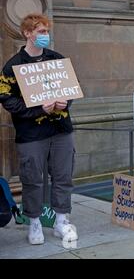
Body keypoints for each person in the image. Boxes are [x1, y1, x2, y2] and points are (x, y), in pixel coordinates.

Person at [0, 14, 78, 245]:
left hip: (61, 129)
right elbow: (5, 97)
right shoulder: (13, 66)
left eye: (46, 32)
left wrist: (66, 102)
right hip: (31, 133)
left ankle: (61, 220)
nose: (45, 36)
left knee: (63, 175)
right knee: (33, 178)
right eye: (41, 32)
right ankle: (33, 222)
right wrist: (35, 110)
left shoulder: (57, 59)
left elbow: (71, 88)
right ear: (27, 33)